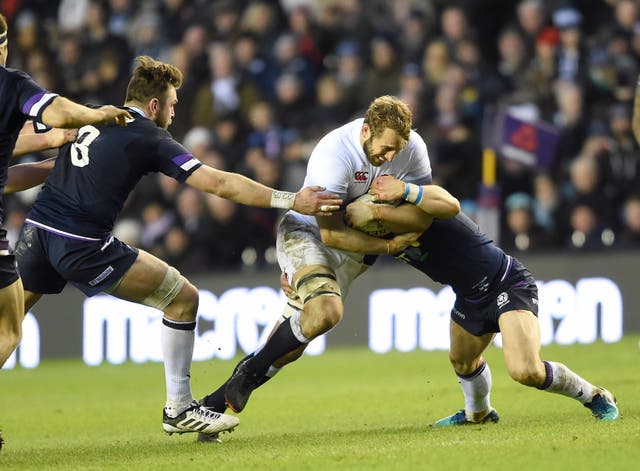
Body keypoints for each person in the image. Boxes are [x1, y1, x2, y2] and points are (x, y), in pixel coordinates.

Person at [9, 55, 342, 438]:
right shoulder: (148, 136)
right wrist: (290, 199)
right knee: (183, 298)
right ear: (154, 105)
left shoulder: (93, 120)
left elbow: (49, 169)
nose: (174, 111)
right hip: (81, 243)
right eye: (172, 104)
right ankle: (179, 408)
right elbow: (217, 184)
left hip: (37, 233)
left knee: (5, 330)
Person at [199, 95, 460, 435]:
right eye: (385, 148)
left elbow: (424, 212)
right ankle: (248, 374)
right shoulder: (334, 153)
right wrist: (388, 243)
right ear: (366, 130)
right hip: (308, 236)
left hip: (354, 255)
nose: (391, 157)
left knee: (289, 345)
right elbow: (332, 235)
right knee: (326, 312)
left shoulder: (413, 149)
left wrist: (389, 209)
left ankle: (213, 407)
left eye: (397, 150)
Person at [347, 175, 619, 424]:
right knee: (462, 361)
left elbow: (449, 203)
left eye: (371, 218)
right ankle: (479, 414)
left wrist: (401, 193)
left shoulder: (422, 209)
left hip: (506, 283)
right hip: (469, 297)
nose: (369, 227)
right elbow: (337, 239)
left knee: (526, 371)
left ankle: (594, 396)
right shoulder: (383, 238)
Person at [0, 12, 131, 369]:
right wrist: (97, 115)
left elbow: (5, 177)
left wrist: (49, 158)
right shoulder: (9, 84)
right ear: (4, 46)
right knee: (7, 331)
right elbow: (56, 110)